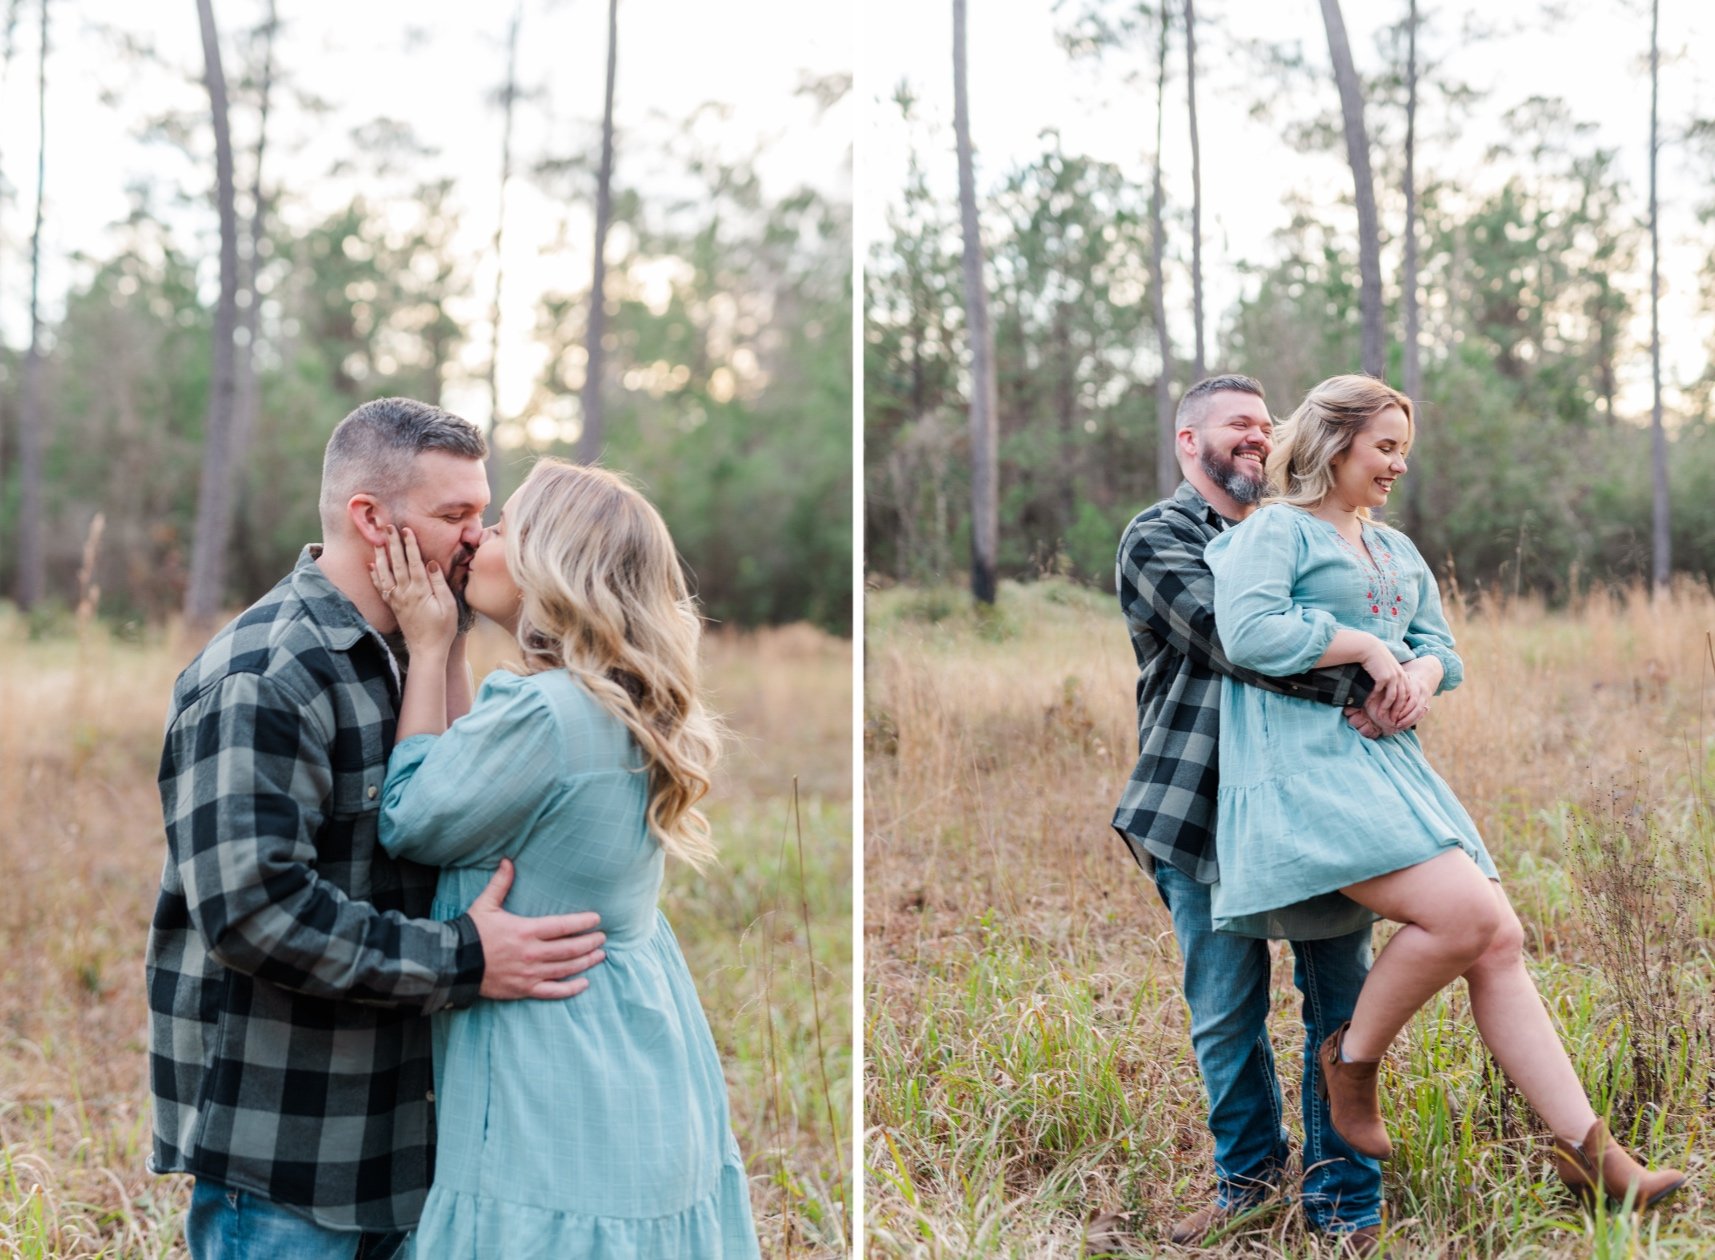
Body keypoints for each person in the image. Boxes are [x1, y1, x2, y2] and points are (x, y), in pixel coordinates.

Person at [1204, 373, 1685, 1208]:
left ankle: (1592, 1158)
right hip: (1300, 771)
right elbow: (1247, 631)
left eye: (1403, 451)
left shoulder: (1392, 548)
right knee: (1467, 917)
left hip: (1388, 767)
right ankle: (1349, 1061)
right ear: (1334, 442)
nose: (1396, 465)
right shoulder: (1274, 532)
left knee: (1497, 940)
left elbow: (1442, 647)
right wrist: (1367, 647)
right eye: (1384, 447)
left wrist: (1420, 668)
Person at [147, 398, 609, 1260]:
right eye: (454, 515)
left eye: (483, 512)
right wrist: (467, 957)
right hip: (291, 1157)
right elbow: (254, 914)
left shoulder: (414, 650)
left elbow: (463, 821)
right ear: (370, 518)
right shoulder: (265, 675)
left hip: (414, 1148)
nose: (477, 537)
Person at [368, 458, 760, 1257]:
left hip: (552, 1066)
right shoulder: (617, 696)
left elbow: (411, 811)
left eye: (505, 526)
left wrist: (427, 643)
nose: (481, 537)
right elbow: (475, 774)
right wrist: (449, 652)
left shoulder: (546, 713)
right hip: (636, 1046)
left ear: (553, 565)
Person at [1112, 374, 1403, 1253]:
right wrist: (1371, 671)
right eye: (1237, 423)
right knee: (1226, 1012)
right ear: (1187, 441)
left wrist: (1410, 668)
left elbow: (1391, 617)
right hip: (1197, 804)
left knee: (1339, 997)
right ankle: (1243, 1186)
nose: (1257, 436)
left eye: (1266, 425)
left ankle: (1342, 1201)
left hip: (1316, 801)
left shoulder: (1304, 531)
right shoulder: (1158, 535)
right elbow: (1235, 640)